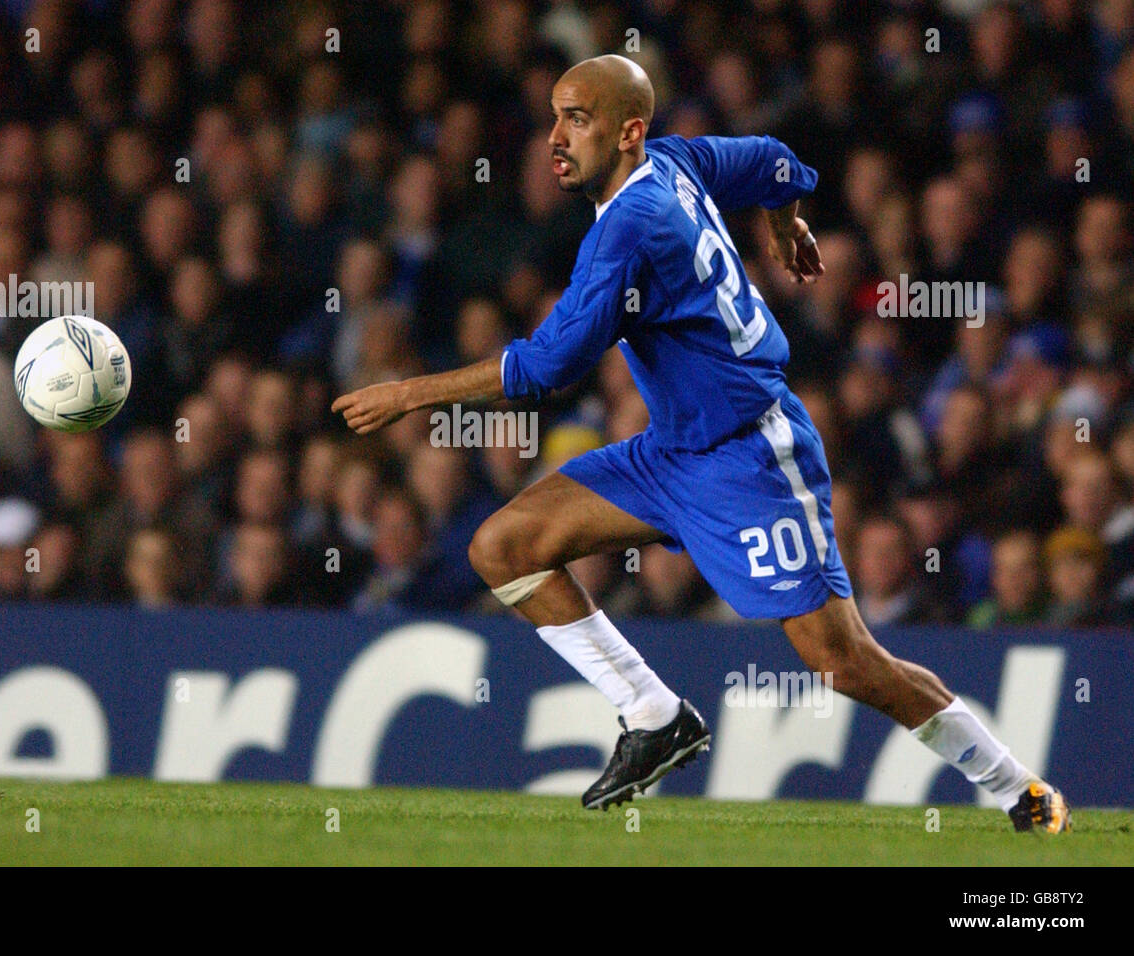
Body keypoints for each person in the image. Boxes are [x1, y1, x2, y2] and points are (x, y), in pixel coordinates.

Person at [333, 55, 1070, 832]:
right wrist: (784, 219)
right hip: (672, 452)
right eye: (553, 116)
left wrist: (409, 392)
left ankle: (1019, 786)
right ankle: (652, 715)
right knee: (504, 547)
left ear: (629, 131)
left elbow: (545, 368)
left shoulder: (629, 230)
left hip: (751, 457)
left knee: (845, 663)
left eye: (576, 120)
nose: (554, 137)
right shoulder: (677, 160)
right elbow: (778, 162)